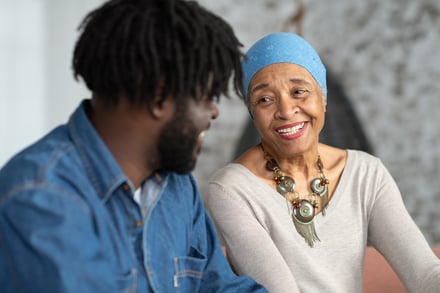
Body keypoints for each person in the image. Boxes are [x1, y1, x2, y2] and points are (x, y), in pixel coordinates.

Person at [0, 0, 269, 292]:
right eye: (206, 98)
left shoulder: (177, 187)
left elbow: (220, 286)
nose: (213, 112)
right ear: (159, 99)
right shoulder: (41, 198)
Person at [204, 32, 440, 292]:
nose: (285, 110)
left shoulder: (366, 174)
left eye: (299, 92)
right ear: (253, 112)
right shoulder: (230, 189)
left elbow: (425, 274)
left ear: (323, 97)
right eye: (265, 100)